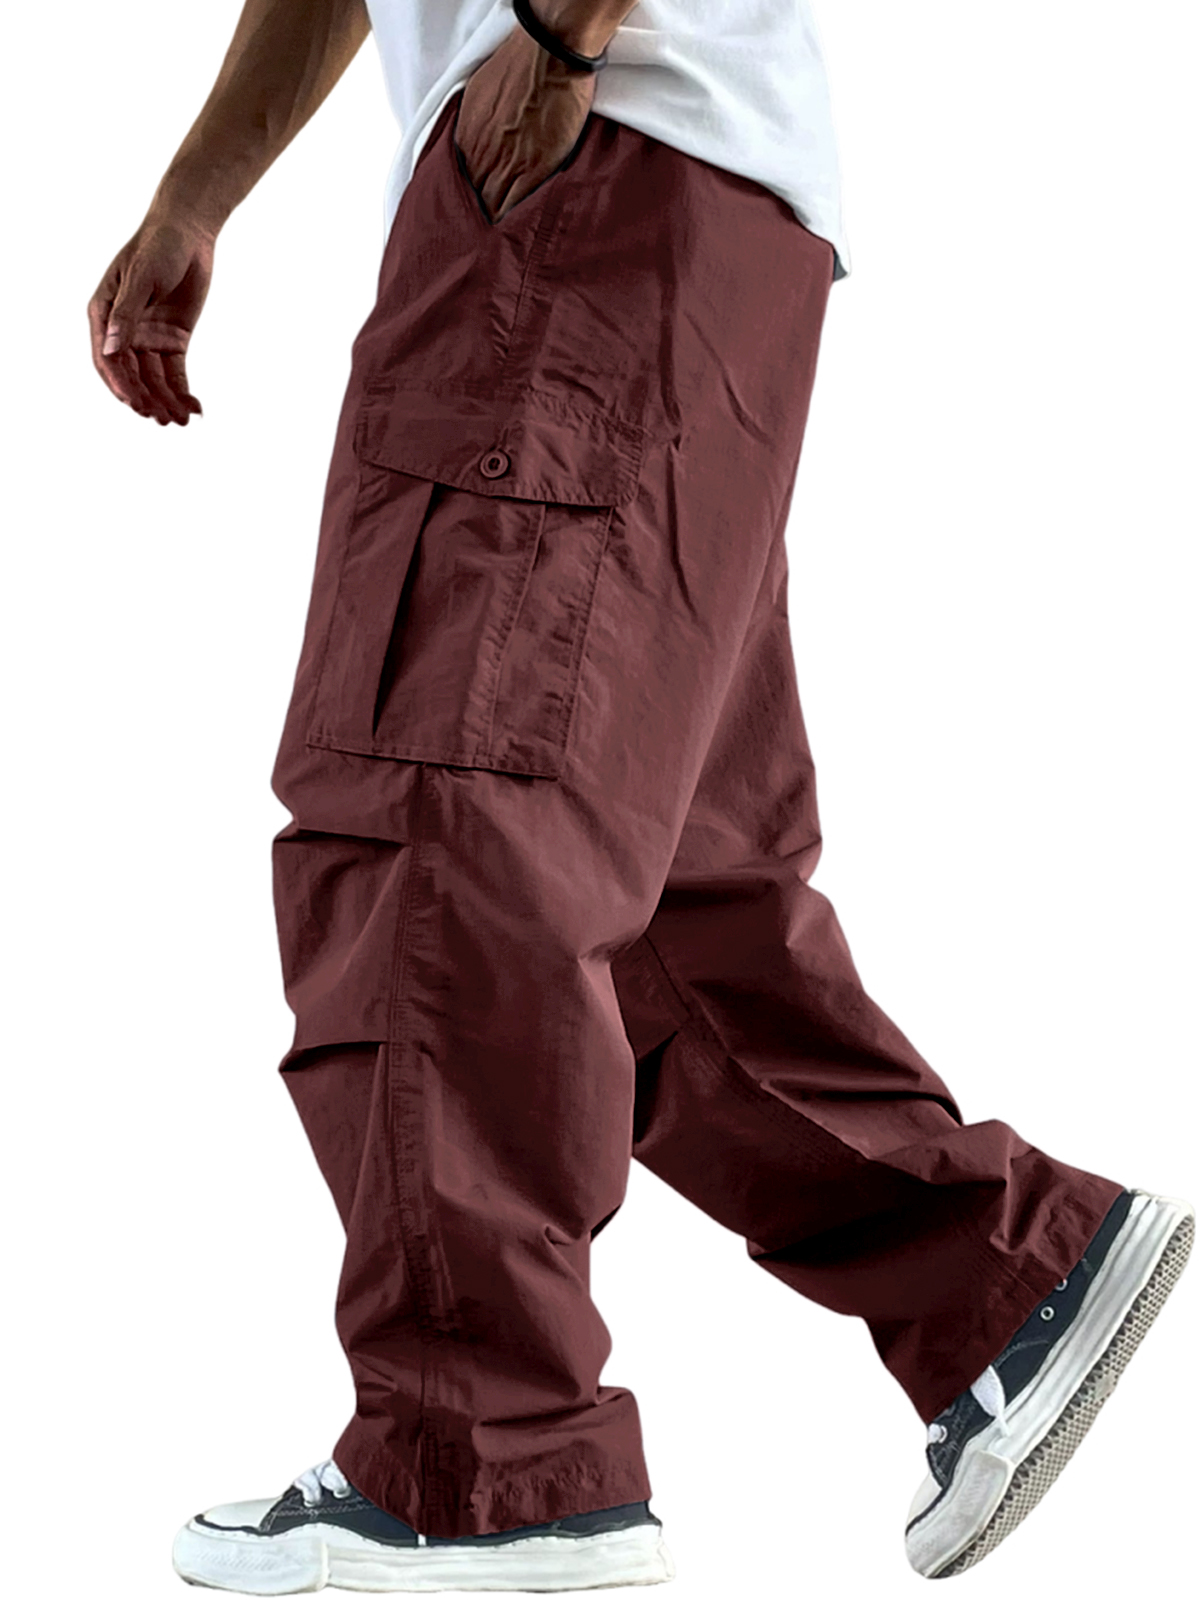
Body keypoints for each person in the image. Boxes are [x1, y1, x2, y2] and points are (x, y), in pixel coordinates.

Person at [87, 2, 1193, 1592]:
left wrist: (559, 29)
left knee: (441, 824)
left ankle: (480, 1461)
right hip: (682, 220)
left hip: (583, 175)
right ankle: (1002, 1278)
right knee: (675, 899)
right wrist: (195, 196)